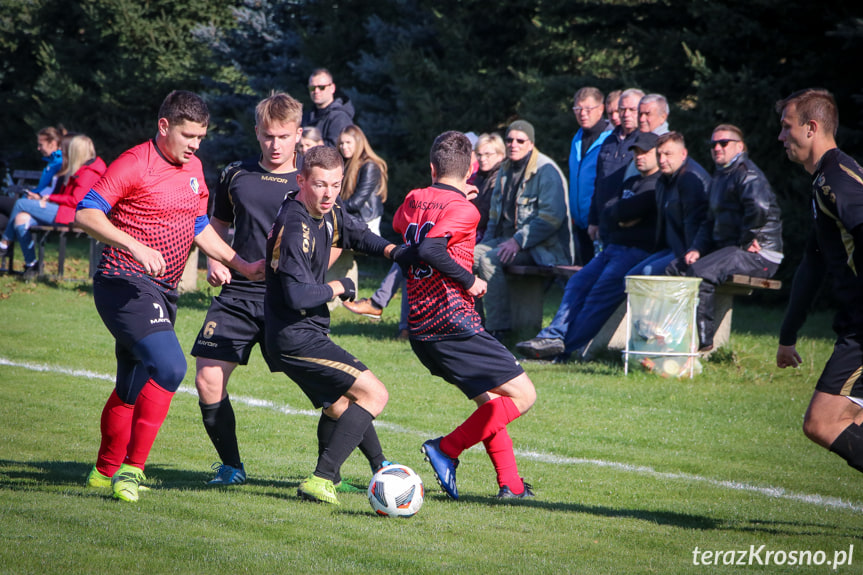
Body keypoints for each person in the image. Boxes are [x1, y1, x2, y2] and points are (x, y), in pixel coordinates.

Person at [76, 90, 266, 503]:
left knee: (131, 381)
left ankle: (103, 470)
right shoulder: (134, 162)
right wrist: (135, 246)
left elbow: (198, 225)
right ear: (164, 127)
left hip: (163, 291)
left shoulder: (194, 167)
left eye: (201, 136)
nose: (196, 145)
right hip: (123, 283)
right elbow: (86, 212)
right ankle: (132, 470)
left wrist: (241, 265)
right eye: (188, 135)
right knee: (169, 365)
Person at [264, 145, 413, 505]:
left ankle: (379, 468)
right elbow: (297, 295)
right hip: (294, 337)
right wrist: (339, 286)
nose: (328, 193)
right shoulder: (295, 222)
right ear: (301, 180)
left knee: (339, 405)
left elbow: (357, 234)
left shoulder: (327, 211)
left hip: (307, 331)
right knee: (374, 393)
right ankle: (322, 478)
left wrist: (394, 252)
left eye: (335, 184)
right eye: (319, 184)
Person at [393, 130, 537, 499]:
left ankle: (512, 485)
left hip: (420, 328)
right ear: (472, 169)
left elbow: (405, 227)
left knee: (491, 403)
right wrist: (469, 279)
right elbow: (431, 248)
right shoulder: (465, 210)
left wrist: (452, 199)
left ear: (431, 168)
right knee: (522, 396)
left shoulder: (413, 198)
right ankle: (446, 449)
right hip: (452, 322)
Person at [189, 92, 303, 486]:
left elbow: (335, 235)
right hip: (238, 294)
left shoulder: (310, 178)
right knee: (207, 377)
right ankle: (232, 466)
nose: (275, 145)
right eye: (269, 136)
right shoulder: (236, 173)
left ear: (298, 135)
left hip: (287, 300)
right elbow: (216, 225)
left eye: (284, 137)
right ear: (258, 133)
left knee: (328, 387)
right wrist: (215, 261)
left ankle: (343, 470)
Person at [774, 88, 863, 477]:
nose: (780, 137)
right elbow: (812, 264)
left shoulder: (836, 181)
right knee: (852, 423)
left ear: (811, 128)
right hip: (855, 324)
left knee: (822, 423)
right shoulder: (824, 181)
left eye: (786, 126)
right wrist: (788, 334)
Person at [516, 131, 661, 361]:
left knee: (598, 294)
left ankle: (561, 350)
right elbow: (609, 209)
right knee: (578, 282)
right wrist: (621, 214)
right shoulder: (632, 181)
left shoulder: (658, 185)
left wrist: (622, 212)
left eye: (645, 152)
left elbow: (628, 209)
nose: (639, 156)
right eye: (636, 152)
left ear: (658, 153)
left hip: (637, 253)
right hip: (613, 248)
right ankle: (552, 337)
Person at [669, 124, 783, 351]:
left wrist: (747, 240)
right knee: (675, 267)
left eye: (723, 143)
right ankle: (670, 336)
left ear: (739, 146)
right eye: (713, 144)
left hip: (759, 255)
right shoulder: (720, 177)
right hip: (732, 250)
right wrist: (697, 249)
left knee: (701, 273)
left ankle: (701, 343)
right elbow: (709, 221)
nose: (717, 148)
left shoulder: (747, 174)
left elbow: (759, 208)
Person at [473, 119, 573, 339]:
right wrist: (484, 243)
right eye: (509, 140)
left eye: (520, 140)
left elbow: (550, 219)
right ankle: (474, 325)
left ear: (531, 143)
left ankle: (499, 330)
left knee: (489, 260)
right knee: (466, 258)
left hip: (543, 247)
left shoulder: (546, 171)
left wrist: (518, 241)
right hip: (507, 241)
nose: (513, 144)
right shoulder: (506, 168)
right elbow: (494, 217)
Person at [0, 134, 106, 278]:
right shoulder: (81, 169)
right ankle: (32, 265)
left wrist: (50, 198)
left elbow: (76, 200)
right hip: (63, 210)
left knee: (21, 203)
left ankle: (5, 243)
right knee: (21, 218)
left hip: (71, 214)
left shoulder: (88, 173)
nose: (66, 152)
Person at [629, 131, 710, 276]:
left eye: (668, 154)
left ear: (683, 154)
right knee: (630, 278)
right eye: (659, 155)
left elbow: (696, 224)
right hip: (671, 248)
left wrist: (690, 259)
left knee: (646, 275)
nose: (662, 160)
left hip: (689, 252)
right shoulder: (664, 179)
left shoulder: (690, 179)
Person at [587, 88, 644, 250]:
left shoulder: (645, 144)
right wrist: (593, 220)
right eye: (622, 110)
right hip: (604, 223)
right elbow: (598, 182)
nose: (626, 114)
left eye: (632, 110)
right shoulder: (608, 141)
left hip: (628, 225)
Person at [0, 126, 65, 258]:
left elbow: (54, 189)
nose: (38, 148)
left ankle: (5, 244)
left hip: (39, 205)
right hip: (33, 201)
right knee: (1, 219)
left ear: (52, 143)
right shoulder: (53, 162)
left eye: (41, 145)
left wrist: (38, 196)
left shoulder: (59, 163)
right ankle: (5, 249)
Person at [569, 87, 614, 265]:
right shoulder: (577, 138)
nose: (583, 114)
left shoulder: (610, 138)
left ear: (601, 109)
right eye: (578, 109)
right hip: (580, 222)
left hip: (599, 221)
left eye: (589, 109)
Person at [337, 124, 388, 236]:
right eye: (341, 143)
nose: (344, 146)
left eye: (348, 142)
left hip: (366, 225)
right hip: (350, 223)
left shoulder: (370, 166)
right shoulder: (345, 165)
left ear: (358, 142)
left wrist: (330, 206)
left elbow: (356, 203)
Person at [302, 68, 355, 148]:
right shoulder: (306, 117)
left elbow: (335, 151)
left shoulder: (340, 118)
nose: (316, 91)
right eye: (312, 87)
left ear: (332, 88)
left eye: (321, 87)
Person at [470, 132, 505, 243]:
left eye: (487, 154)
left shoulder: (500, 178)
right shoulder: (480, 176)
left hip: (493, 234)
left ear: (500, 155)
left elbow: (486, 213)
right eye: (479, 155)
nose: (482, 159)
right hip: (475, 227)